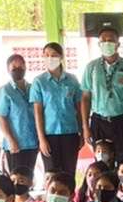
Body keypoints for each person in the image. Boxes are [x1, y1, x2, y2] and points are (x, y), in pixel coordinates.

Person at [81, 24, 123, 161]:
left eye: (111, 40)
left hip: (122, 121)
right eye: (103, 41)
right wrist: (85, 127)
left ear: (118, 44)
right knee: (102, 163)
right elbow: (85, 97)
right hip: (99, 122)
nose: (107, 43)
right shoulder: (92, 67)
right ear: (99, 44)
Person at [30, 41, 83, 180]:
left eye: (54, 55)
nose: (50, 58)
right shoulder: (39, 82)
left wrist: (82, 133)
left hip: (70, 133)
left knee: (69, 174)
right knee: (52, 175)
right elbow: (38, 112)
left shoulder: (72, 80)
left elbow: (79, 108)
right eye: (46, 55)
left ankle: (70, 195)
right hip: (49, 135)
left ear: (61, 57)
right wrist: (41, 139)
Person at [0, 52, 38, 181]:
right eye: (14, 67)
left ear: (25, 67)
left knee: (28, 179)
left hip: (32, 143)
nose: (18, 69)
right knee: (16, 180)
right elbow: (1, 117)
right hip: (15, 145)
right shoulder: (5, 91)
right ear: (8, 69)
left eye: (21, 66)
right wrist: (11, 140)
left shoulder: (33, 88)